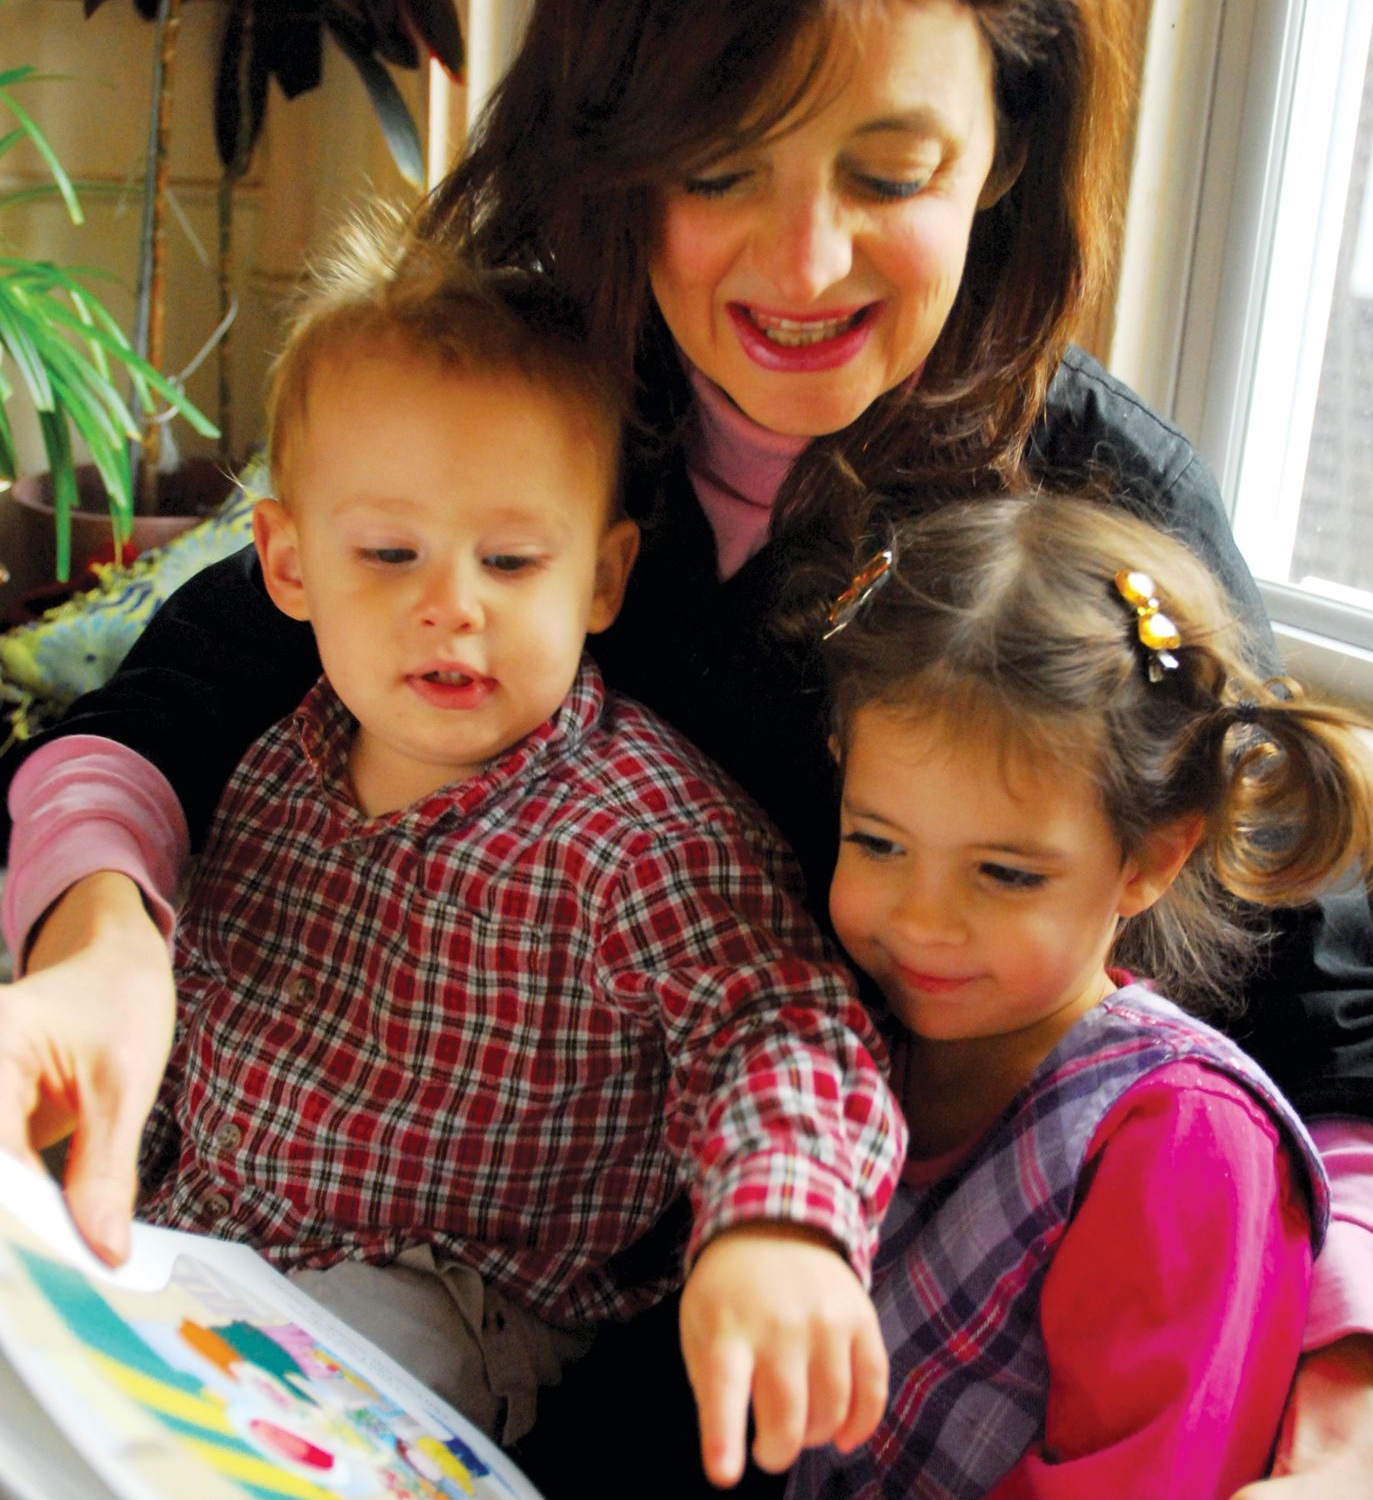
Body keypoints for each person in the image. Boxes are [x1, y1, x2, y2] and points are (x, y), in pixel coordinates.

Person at [0, 2, 1373, 1495]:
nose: (805, 264)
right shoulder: (525, 389)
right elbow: (165, 709)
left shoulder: (1098, 509)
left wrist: (1339, 1432)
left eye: (888, 177)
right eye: (717, 173)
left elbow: (1327, 1033)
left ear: (1004, 152)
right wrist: (102, 946)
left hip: (729, 1348)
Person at [89, 216, 904, 1474]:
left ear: (602, 582)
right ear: (289, 564)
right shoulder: (269, 767)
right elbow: (184, 1037)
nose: (450, 602)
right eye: (390, 553)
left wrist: (778, 1230)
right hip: (197, 1248)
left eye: (512, 559)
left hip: (446, 1303)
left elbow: (777, 1023)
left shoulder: (638, 827)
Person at [790, 491, 1373, 1498]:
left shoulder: (1179, 1144)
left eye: (1006, 874)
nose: (923, 920)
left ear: (1151, 859)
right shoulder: (851, 1029)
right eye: (878, 843)